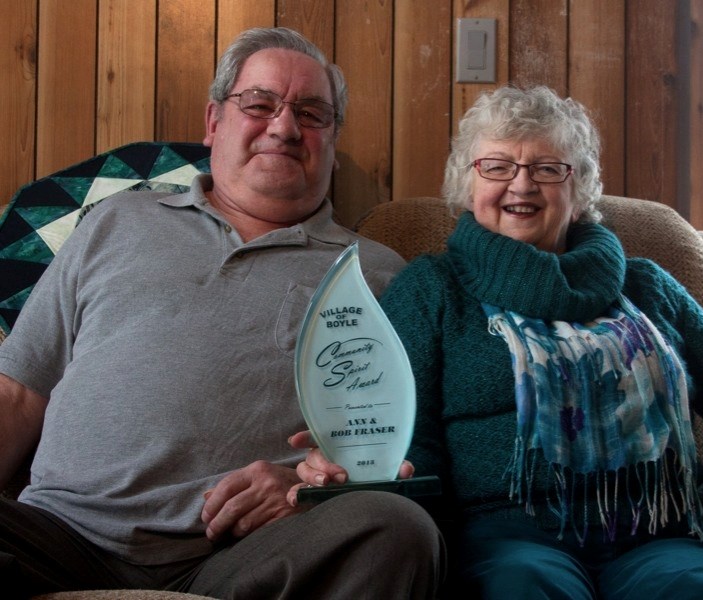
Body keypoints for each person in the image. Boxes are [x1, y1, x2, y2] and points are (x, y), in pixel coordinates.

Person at [294, 85, 703, 599]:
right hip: (505, 539)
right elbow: (408, 438)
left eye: (547, 168)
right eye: (496, 166)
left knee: (698, 590)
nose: (522, 184)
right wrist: (366, 468)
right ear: (467, 186)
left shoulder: (648, 286)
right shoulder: (432, 290)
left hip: (661, 536)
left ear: (578, 191)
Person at [0, 27, 442, 599]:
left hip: (238, 552)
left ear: (332, 139)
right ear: (214, 121)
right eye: (259, 104)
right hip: (58, 533)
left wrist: (307, 487)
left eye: (311, 114)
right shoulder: (116, 221)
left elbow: (388, 444)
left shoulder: (380, 275)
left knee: (398, 530)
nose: (284, 128)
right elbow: (17, 393)